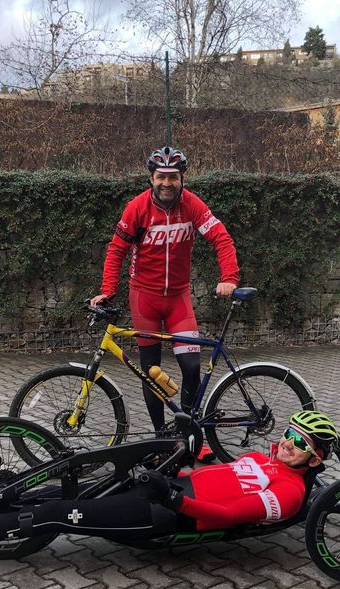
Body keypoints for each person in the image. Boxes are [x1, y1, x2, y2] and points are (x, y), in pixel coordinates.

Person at [0, 411, 338, 545]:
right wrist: (190, 446)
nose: (287, 443)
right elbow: (216, 472)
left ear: (315, 459)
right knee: (68, 486)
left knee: (55, 513)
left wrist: (171, 496)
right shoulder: (267, 461)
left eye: (301, 443)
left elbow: (225, 515)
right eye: (289, 433)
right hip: (164, 486)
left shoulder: (288, 492)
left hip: (163, 515)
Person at [89, 147, 240, 455]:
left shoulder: (193, 205)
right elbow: (117, 250)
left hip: (178, 300)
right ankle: (161, 439)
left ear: (182, 179)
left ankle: (190, 437)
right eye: (161, 177)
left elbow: (221, 238)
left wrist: (229, 278)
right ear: (151, 179)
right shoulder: (137, 208)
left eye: (173, 177)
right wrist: (107, 290)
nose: (167, 183)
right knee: (151, 370)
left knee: (191, 367)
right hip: (144, 298)